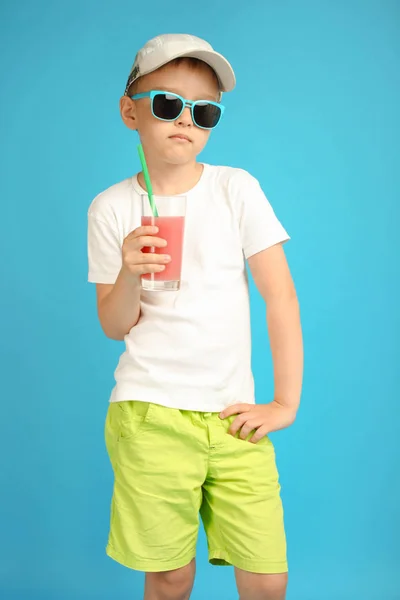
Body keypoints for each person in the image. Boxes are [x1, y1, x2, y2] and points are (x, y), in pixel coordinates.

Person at [87, 33, 303, 600]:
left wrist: (284, 402)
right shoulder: (111, 207)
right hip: (149, 413)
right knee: (170, 575)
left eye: (203, 111)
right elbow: (114, 324)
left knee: (266, 576)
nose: (185, 120)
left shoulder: (236, 189)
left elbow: (279, 296)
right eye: (167, 104)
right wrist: (130, 270)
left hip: (233, 414)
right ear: (130, 112)